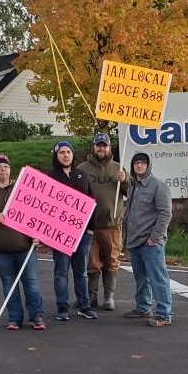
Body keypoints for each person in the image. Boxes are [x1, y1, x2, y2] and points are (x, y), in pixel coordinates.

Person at [0, 153, 46, 331]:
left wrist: (39, 235)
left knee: (31, 283)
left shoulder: (23, 190)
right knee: (9, 284)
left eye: (5, 166)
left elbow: (39, 214)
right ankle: (15, 319)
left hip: (25, 247)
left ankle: (37, 316)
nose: (2, 169)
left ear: (10, 169)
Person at [47, 140, 98, 321]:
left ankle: (84, 305)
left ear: (73, 154)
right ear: (56, 155)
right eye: (62, 152)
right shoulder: (50, 177)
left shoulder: (81, 176)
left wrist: (91, 229)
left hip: (82, 234)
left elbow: (91, 202)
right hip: (60, 234)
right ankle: (62, 307)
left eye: (68, 152)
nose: (66, 155)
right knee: (61, 271)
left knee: (81, 271)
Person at [77, 132, 128, 311]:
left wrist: (125, 181)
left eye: (104, 145)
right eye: (98, 145)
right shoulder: (82, 169)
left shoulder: (118, 168)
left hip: (112, 225)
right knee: (92, 262)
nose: (101, 148)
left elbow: (130, 192)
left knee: (111, 261)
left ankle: (108, 297)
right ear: (94, 147)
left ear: (109, 148)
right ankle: (92, 296)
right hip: (89, 226)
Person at [122, 152, 173, 327]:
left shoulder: (158, 186)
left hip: (150, 242)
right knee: (141, 278)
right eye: (136, 163)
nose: (139, 166)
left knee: (158, 278)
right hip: (134, 241)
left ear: (148, 165)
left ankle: (164, 314)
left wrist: (155, 238)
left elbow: (165, 213)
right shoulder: (132, 186)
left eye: (143, 163)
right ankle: (143, 307)